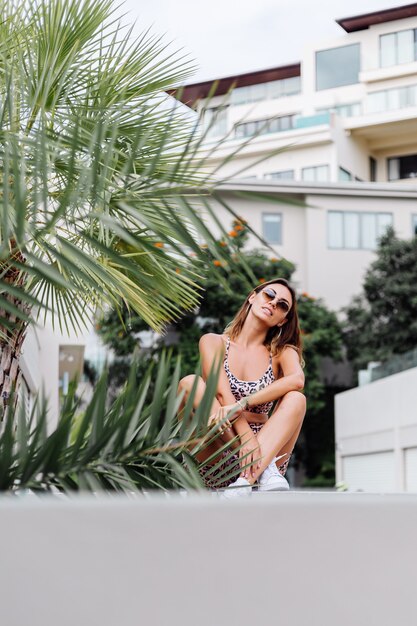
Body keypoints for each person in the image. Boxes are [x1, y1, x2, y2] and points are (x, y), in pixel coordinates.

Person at [178, 278, 306, 496]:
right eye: (269, 295)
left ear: (282, 321)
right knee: (190, 383)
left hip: (267, 447)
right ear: (252, 297)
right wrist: (247, 442)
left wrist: (243, 404)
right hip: (220, 450)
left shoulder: (281, 352)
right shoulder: (213, 342)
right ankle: (258, 470)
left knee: (297, 399)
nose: (273, 303)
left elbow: (297, 380)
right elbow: (220, 393)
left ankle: (247, 480)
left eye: (283, 305)